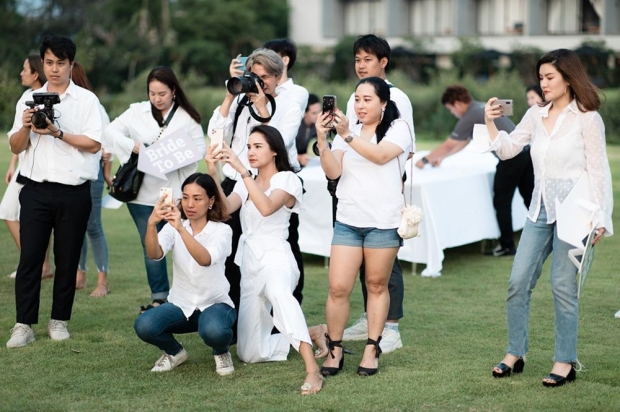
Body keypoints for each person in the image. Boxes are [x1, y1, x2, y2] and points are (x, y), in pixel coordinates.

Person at [485, 49, 613, 387]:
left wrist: (601, 216)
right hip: (539, 211)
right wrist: (489, 122)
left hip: (575, 212)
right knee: (517, 283)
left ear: (568, 78)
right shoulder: (535, 114)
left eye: (549, 77)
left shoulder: (587, 118)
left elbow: (598, 171)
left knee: (562, 286)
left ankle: (565, 361)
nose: (543, 84)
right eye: (540, 78)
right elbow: (509, 149)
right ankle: (515, 353)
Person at [205, 125, 323, 395]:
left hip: (276, 258)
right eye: (248, 147)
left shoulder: (288, 180)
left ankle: (312, 370)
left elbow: (267, 208)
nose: (250, 152)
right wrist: (213, 171)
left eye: (258, 146)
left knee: (281, 296)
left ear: (274, 151)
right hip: (250, 264)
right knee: (250, 353)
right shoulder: (246, 182)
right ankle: (314, 332)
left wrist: (243, 171)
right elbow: (223, 210)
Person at [6, 35, 103, 348]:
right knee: (31, 258)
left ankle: (59, 320)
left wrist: (57, 132)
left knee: (67, 257)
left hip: (74, 191)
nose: (55, 69)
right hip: (35, 188)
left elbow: (94, 144)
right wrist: (24, 126)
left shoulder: (87, 101)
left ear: (71, 65)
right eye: (49, 63)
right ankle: (23, 325)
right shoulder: (28, 98)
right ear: (42, 63)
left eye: (61, 63)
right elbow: (15, 146)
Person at [316, 77, 414, 377]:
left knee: (376, 285)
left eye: (367, 99)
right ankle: (334, 349)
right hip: (348, 220)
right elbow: (334, 171)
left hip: (383, 223)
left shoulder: (399, 128)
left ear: (384, 102)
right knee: (338, 288)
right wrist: (323, 140)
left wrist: (345, 135)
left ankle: (372, 348)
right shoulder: (351, 130)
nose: (360, 105)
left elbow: (381, 156)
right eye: (357, 99)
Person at [208, 48, 304, 340]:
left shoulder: (289, 102)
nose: (259, 84)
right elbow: (216, 133)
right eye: (254, 77)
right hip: (236, 182)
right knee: (233, 255)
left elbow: (278, 142)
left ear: (278, 77)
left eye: (265, 78)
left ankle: (284, 323)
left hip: (275, 181)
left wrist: (263, 109)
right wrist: (229, 95)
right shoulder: (239, 99)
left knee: (285, 255)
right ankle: (242, 321)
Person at [104, 66, 206, 312]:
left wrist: (175, 155)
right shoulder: (136, 111)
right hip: (141, 193)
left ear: (173, 91)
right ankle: (159, 297)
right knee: (150, 244)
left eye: (162, 93)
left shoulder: (186, 116)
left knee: (184, 242)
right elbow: (109, 131)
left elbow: (200, 147)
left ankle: (191, 295)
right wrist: (133, 146)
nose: (157, 99)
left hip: (176, 192)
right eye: (152, 93)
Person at [340, 34, 414, 354]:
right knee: (360, 262)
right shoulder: (354, 98)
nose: (361, 65)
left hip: (385, 193)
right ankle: (371, 318)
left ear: (383, 62)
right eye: (357, 59)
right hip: (355, 190)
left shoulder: (398, 99)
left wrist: (394, 187)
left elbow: (403, 150)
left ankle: (392, 327)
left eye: (367, 59)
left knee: (386, 265)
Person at [134, 173, 236, 375]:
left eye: (197, 198)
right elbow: (154, 254)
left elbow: (204, 259)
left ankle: (221, 352)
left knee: (214, 331)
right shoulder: (173, 228)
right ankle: (175, 352)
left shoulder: (222, 231)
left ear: (211, 201)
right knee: (144, 325)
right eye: (185, 197)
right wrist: (151, 224)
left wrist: (181, 229)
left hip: (215, 303)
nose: (189, 204)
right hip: (182, 304)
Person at [416, 85, 534, 258]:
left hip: (510, 158)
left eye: (450, 110)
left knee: (501, 202)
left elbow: (449, 143)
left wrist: (424, 160)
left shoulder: (471, 114)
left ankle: (507, 246)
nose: (453, 114)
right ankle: (549, 237)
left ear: (456, 104)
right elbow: (463, 142)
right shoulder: (479, 108)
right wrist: (441, 158)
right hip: (525, 152)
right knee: (530, 198)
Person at [1, 54, 53, 280]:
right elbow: (18, 135)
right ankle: (39, 264)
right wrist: (13, 164)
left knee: (10, 211)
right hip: (22, 165)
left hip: (38, 169)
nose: (21, 73)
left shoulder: (47, 97)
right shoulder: (26, 96)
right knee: (14, 212)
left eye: (25, 69)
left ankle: (35, 264)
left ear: (35, 73)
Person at [71, 61, 111, 298]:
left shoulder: (94, 106)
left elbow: (107, 147)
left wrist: (106, 173)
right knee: (76, 225)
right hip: (70, 175)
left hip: (92, 174)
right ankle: (79, 274)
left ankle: (103, 280)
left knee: (93, 226)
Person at [295, 93, 320, 167]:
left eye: (319, 111)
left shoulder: (315, 125)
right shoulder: (296, 126)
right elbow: (282, 149)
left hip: (304, 164)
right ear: (304, 113)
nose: (318, 115)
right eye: (314, 113)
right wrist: (299, 157)